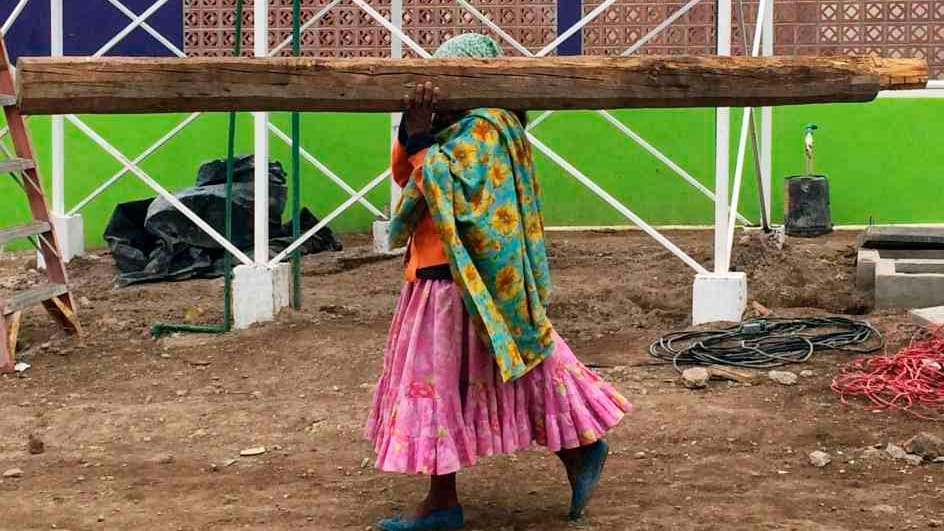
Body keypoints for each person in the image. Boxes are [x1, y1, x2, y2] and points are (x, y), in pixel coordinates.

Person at [365, 33, 631, 531]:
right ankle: (572, 453)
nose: (437, 96)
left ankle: (453, 500)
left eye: (448, 83)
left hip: (465, 278)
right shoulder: (453, 128)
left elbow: (454, 194)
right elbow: (407, 177)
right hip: (440, 275)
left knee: (466, 377)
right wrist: (412, 133)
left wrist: (421, 143)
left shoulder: (488, 128)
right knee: (467, 379)